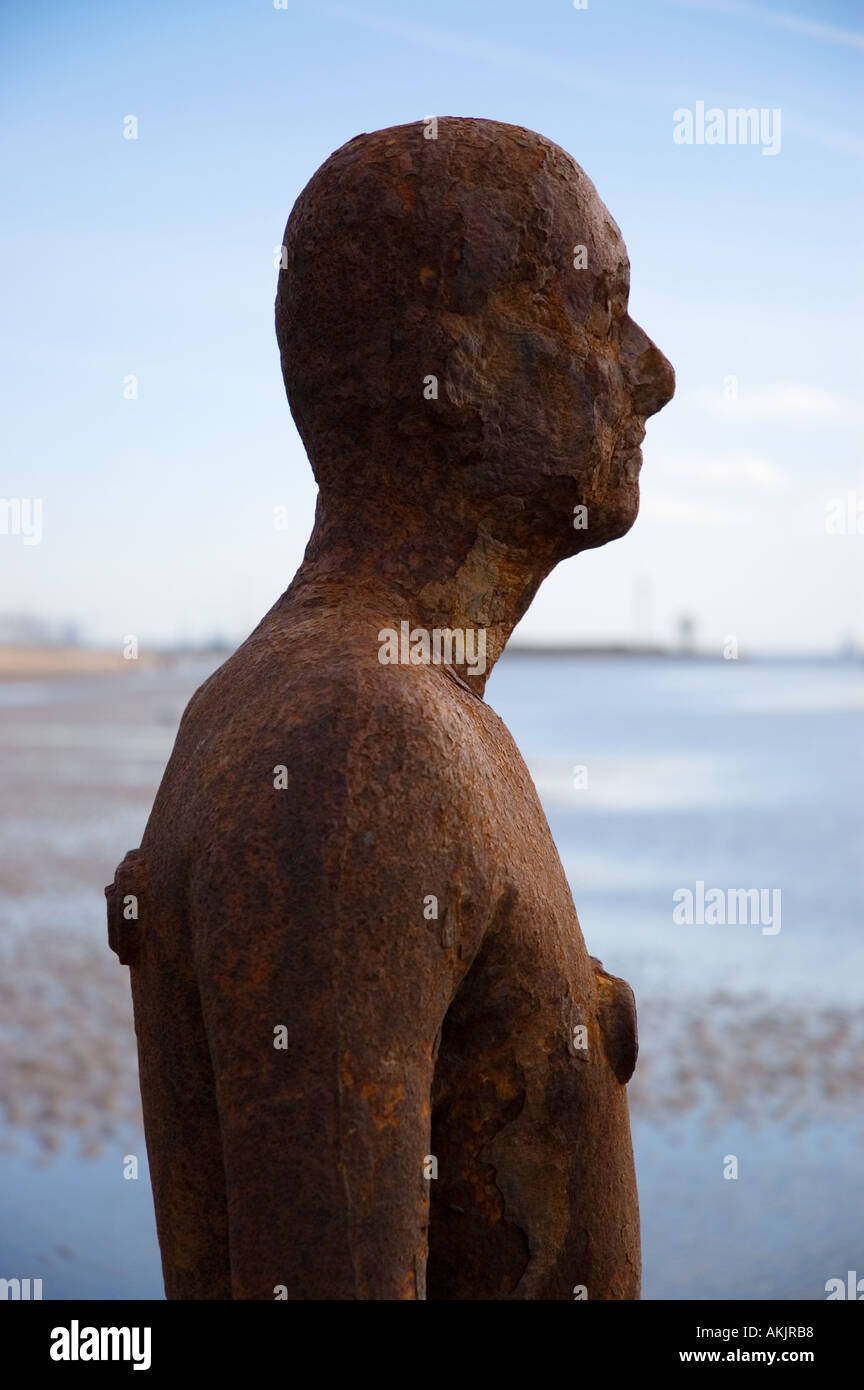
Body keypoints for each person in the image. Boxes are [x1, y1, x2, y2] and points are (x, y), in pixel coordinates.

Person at [107, 117, 675, 1300]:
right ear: (454, 368)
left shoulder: (343, 707)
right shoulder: (365, 740)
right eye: (598, 305)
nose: (653, 371)